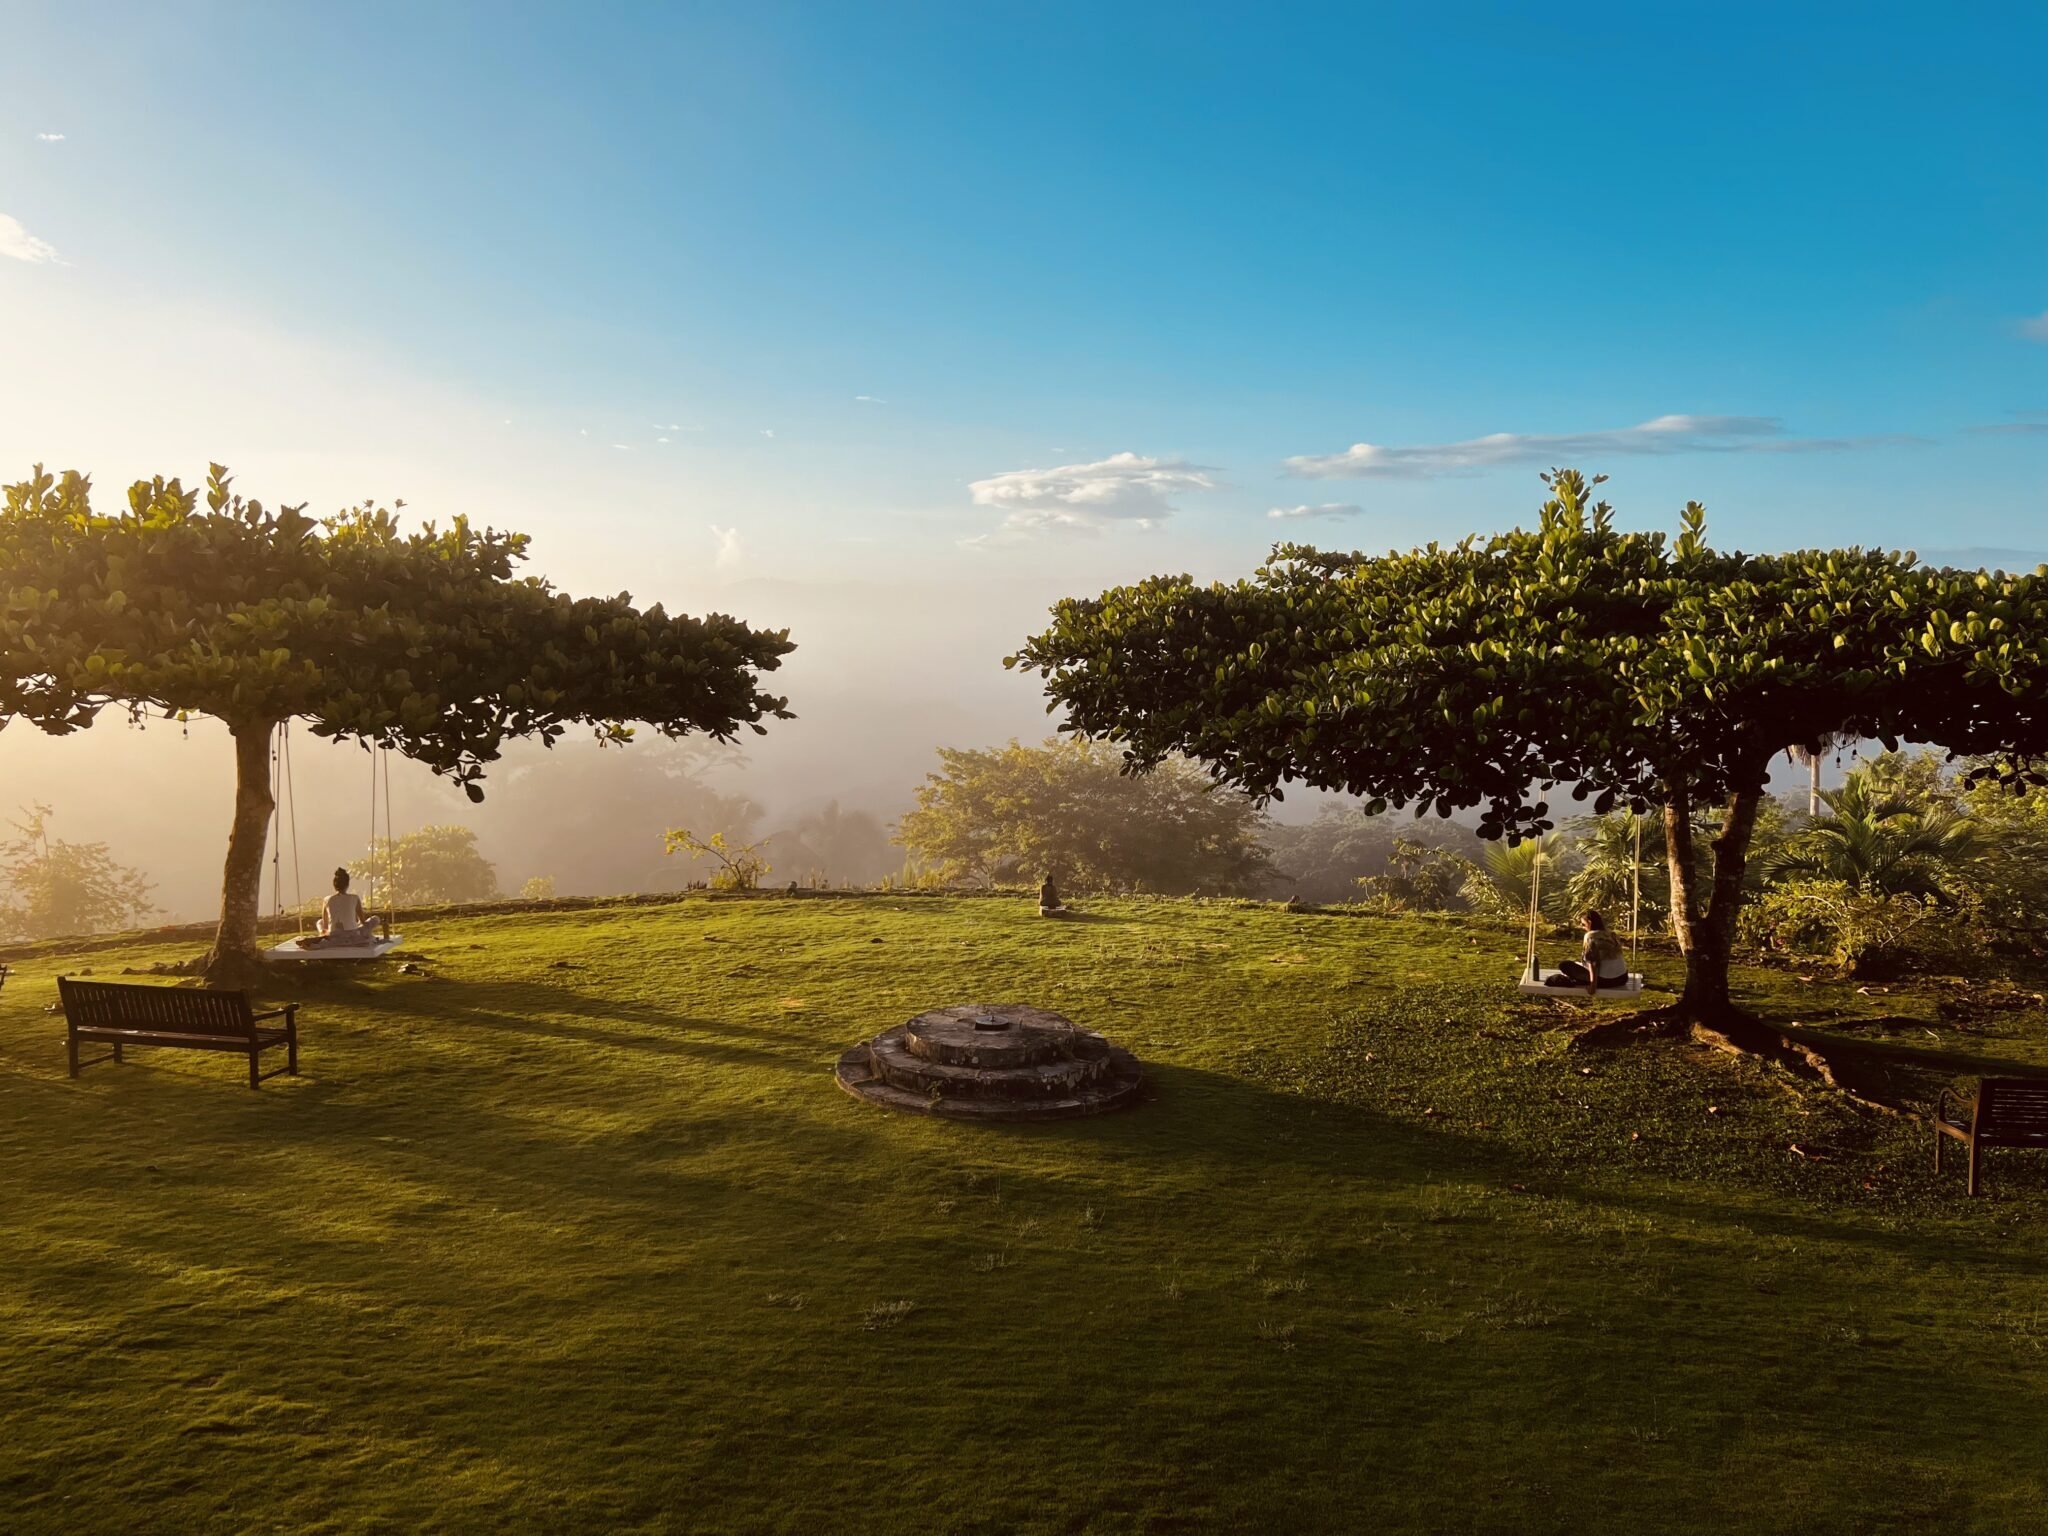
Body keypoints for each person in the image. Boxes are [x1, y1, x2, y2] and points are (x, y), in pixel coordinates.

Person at [1546, 909, 1628, 995]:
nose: (1582, 926)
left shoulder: (1590, 936)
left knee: (1564, 965)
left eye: (1583, 924)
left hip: (1605, 981)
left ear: (1589, 922)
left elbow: (1593, 962)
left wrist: (1593, 985)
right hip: (1622, 978)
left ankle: (1586, 981)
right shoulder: (1611, 934)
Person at [304, 867, 386, 948]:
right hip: (352, 934)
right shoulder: (354, 898)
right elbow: (362, 921)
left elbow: (325, 925)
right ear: (347, 884)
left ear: (334, 885)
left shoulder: (327, 899)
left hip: (333, 935)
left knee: (319, 922)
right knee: (375, 919)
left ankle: (323, 937)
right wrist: (357, 925)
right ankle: (349, 938)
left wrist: (325, 932)